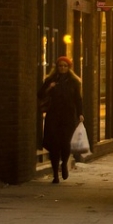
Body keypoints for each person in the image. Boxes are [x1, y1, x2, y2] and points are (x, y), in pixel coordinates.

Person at [38, 56, 84, 184]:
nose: (62, 68)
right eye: (60, 66)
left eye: (65, 66)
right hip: (53, 116)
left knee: (65, 143)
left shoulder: (74, 82)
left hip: (68, 116)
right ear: (57, 67)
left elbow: (78, 99)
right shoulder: (50, 80)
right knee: (54, 145)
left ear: (68, 68)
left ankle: (64, 163)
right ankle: (55, 175)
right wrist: (49, 88)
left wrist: (80, 113)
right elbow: (40, 94)